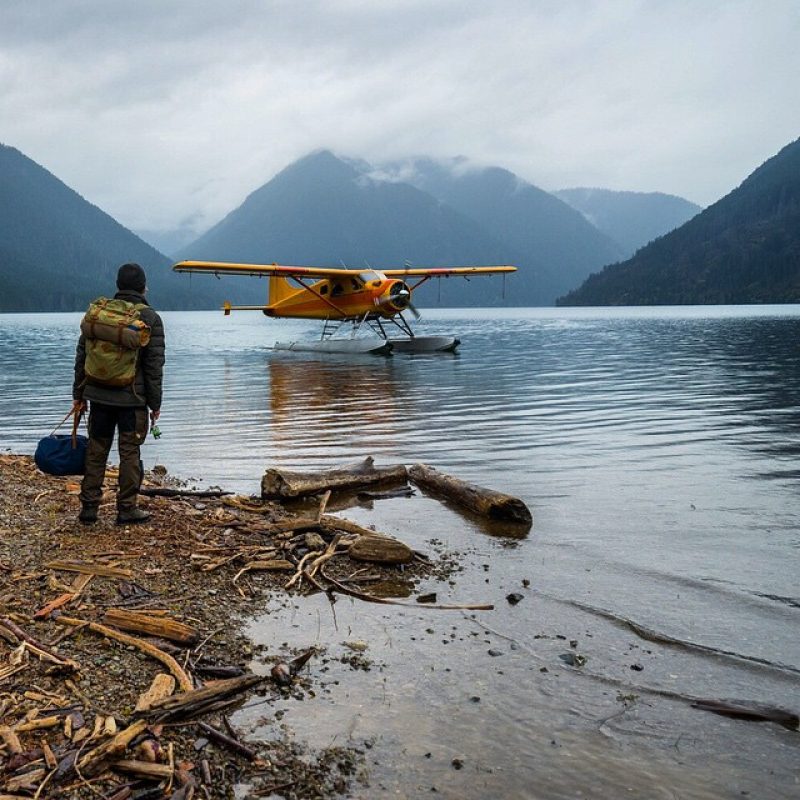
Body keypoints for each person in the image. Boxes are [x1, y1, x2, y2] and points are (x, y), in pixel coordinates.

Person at [72, 263, 165, 525]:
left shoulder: (100, 313)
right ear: (143, 287)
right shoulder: (150, 318)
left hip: (98, 396)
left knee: (96, 450)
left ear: (118, 286)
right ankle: (126, 509)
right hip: (132, 400)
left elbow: (82, 357)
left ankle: (89, 508)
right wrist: (155, 404)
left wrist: (78, 394)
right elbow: (154, 366)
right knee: (130, 453)